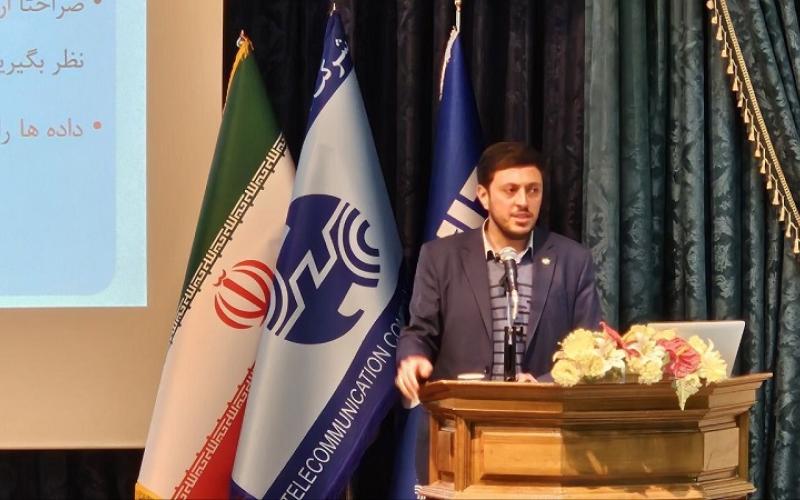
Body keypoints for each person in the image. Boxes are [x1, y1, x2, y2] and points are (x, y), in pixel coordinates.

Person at [395, 141, 601, 403]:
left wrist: (543, 385)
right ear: (483, 196)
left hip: (544, 417)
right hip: (461, 416)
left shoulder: (572, 260)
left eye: (533, 190)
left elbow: (591, 346)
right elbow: (420, 332)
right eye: (510, 190)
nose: (523, 202)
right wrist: (413, 356)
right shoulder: (440, 257)